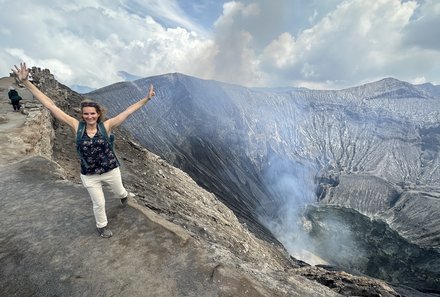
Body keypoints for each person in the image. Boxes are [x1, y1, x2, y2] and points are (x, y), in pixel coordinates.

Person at [12, 62, 156, 238]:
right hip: (89, 174)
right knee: (99, 203)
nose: (89, 116)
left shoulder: (107, 126)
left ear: (98, 114)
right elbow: (51, 106)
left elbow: (128, 112)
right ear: (82, 115)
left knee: (119, 192)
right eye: (86, 114)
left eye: (93, 114)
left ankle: (124, 196)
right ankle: (102, 226)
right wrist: (27, 83)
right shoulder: (76, 126)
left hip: (110, 170)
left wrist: (147, 99)